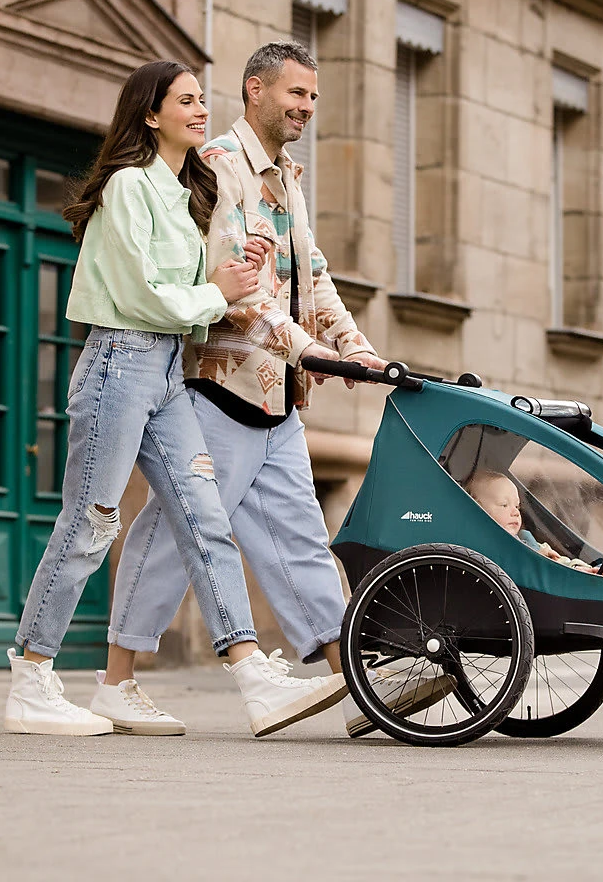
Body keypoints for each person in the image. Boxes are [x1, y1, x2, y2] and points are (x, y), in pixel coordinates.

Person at [98, 42, 450, 738]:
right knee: (173, 534)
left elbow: (310, 274)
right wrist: (308, 347)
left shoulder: (286, 176)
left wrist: (360, 351)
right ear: (254, 90)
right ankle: (117, 682)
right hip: (216, 389)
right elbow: (239, 284)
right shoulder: (219, 168)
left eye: (314, 98)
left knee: (301, 541)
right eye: (296, 94)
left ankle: (354, 682)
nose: (306, 108)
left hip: (278, 398)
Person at [4, 59, 347, 739]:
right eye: (184, 101)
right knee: (92, 522)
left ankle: (251, 675)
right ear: (150, 114)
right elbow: (143, 298)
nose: (199, 110)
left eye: (200, 100)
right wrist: (217, 291)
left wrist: (230, 274)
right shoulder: (130, 187)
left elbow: (190, 307)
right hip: (118, 363)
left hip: (163, 372)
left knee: (204, 516)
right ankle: (32, 679)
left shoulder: (183, 194)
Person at [463, 471, 599, 574]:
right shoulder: (484, 547)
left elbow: (561, 561)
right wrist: (536, 560)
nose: (515, 512)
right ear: (478, 510)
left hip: (562, 573)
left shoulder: (526, 540)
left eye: (517, 506)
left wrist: (579, 568)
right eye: (504, 505)